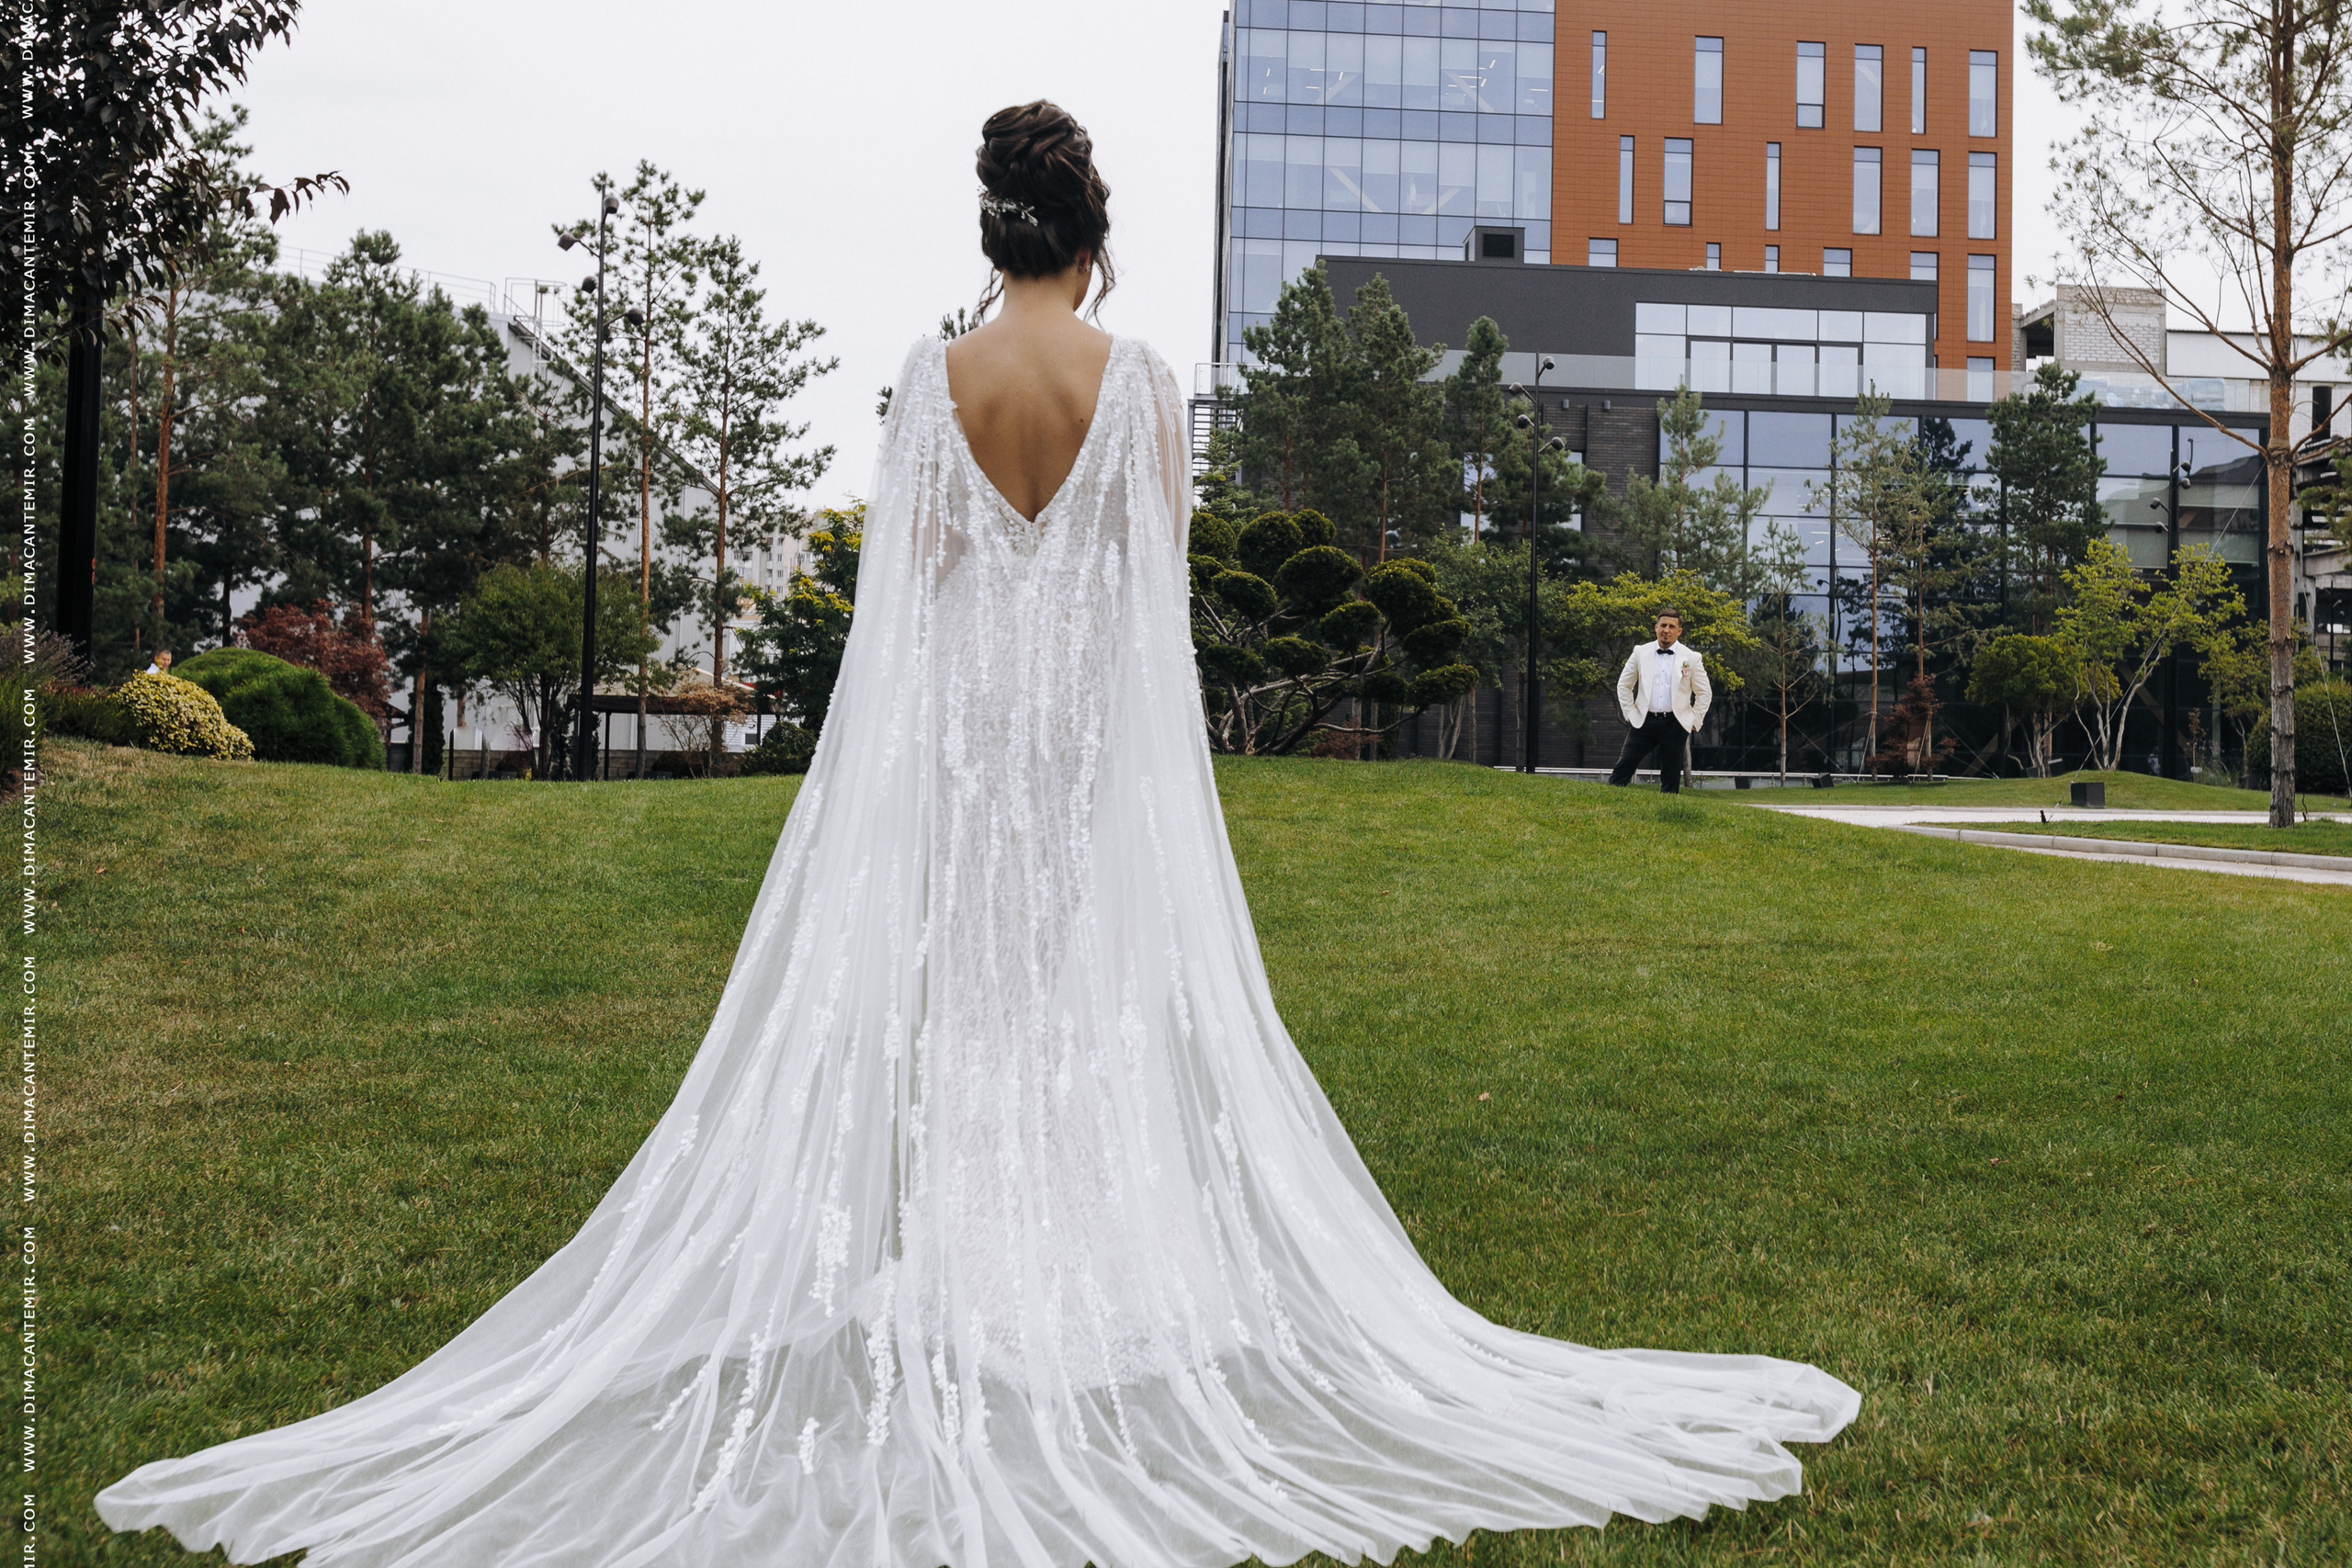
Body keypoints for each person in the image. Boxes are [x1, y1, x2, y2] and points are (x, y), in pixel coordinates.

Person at [98, 103, 1855, 1567]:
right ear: (1092, 231)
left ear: (1000, 228)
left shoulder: (931, 378)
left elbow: (910, 602)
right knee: (1074, 1000)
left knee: (970, 997)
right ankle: (1056, 1274)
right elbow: (1150, 600)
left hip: (966, 749)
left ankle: (971, 1265)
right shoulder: (1145, 376)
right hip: (1085, 748)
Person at [1609, 610, 1712, 794]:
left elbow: (1704, 693)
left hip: (1675, 723)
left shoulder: (1692, 658)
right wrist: (1630, 714)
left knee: (1671, 777)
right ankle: (1605, 807)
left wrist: (1693, 721)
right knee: (1622, 769)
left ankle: (1667, 816)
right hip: (1643, 722)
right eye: (1663, 625)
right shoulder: (1641, 652)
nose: (1666, 630)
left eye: (1671, 626)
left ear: (1679, 631)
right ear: (1656, 628)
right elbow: (1624, 685)